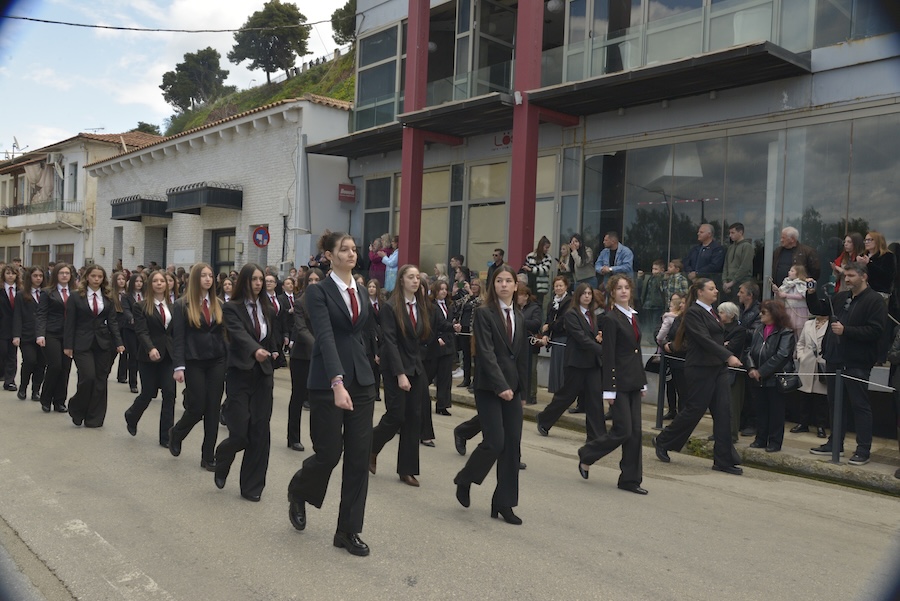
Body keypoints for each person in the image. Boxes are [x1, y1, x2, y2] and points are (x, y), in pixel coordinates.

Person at [287, 232, 376, 557]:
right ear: (329, 255)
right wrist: (337, 382)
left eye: (354, 249)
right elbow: (324, 335)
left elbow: (364, 335)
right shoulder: (318, 291)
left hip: (362, 381)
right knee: (329, 454)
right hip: (327, 381)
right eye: (344, 249)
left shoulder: (361, 291)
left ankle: (347, 531)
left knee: (358, 458)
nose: (352, 254)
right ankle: (299, 490)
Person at [453, 265, 528, 525]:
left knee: (512, 446)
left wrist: (522, 390)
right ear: (493, 285)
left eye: (508, 281)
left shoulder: (519, 316)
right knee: (495, 442)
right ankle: (465, 478)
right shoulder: (484, 313)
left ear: (515, 286)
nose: (504, 285)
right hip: (489, 387)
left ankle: (503, 503)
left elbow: (522, 357)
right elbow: (485, 352)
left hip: (513, 388)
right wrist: (500, 385)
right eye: (499, 281)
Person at [652, 278, 745, 475]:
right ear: (700, 292)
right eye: (711, 288)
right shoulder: (693, 312)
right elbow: (703, 339)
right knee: (694, 410)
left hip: (717, 368)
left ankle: (723, 459)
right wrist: (727, 355)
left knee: (723, 412)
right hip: (700, 368)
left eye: (715, 288)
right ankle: (663, 440)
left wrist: (724, 355)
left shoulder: (712, 312)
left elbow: (716, 338)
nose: (716, 291)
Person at [806, 262, 886, 465]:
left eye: (851, 276)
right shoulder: (842, 297)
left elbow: (876, 330)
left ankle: (863, 449)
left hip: (857, 362)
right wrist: (811, 293)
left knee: (860, 406)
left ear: (864, 276)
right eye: (846, 276)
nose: (847, 279)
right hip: (834, 359)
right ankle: (835, 444)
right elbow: (818, 309)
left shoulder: (875, 300)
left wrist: (846, 331)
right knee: (835, 405)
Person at [213, 263, 280, 501]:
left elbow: (270, 336)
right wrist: (255, 350)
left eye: (261, 279)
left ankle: (252, 487)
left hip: (263, 375)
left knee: (260, 431)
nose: (259, 283)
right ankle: (223, 457)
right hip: (240, 373)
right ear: (245, 281)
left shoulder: (268, 308)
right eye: (254, 279)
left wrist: (273, 351)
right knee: (240, 432)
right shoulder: (231, 308)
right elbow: (238, 334)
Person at [578, 274, 647, 494]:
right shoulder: (610, 318)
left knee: (636, 432)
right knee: (623, 430)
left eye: (626, 287)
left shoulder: (633, 316)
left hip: (634, 380)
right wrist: (609, 389)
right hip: (618, 383)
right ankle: (587, 454)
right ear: (612, 293)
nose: (624, 291)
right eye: (619, 288)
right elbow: (608, 355)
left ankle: (630, 479)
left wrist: (643, 382)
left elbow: (636, 352)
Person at [370, 264, 435, 487]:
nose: (415, 281)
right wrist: (400, 374)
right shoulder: (390, 307)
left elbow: (422, 337)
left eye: (417, 277)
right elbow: (390, 341)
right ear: (401, 281)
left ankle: (407, 469)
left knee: (414, 418)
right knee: (396, 416)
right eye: (410, 277)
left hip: (416, 367)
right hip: (394, 367)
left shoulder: (421, 305)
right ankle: (370, 447)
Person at [169, 263, 227, 471]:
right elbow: (178, 338)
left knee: (213, 408)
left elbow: (225, 335)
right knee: (197, 407)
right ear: (195, 279)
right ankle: (177, 433)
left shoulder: (219, 304)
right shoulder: (181, 305)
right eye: (203, 276)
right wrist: (179, 367)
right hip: (194, 361)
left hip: (216, 360)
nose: (208, 279)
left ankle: (208, 456)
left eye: (210, 275)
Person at [536, 283, 605, 440]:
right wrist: (601, 350)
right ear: (578, 296)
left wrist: (598, 339)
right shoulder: (571, 314)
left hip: (592, 362)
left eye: (589, 293)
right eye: (584, 293)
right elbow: (580, 337)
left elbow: (589, 336)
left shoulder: (591, 315)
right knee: (567, 395)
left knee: (595, 397)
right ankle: (545, 419)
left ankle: (597, 435)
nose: (587, 296)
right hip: (576, 362)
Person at [63, 264, 125, 428]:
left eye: (100, 277)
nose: (96, 279)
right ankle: (77, 408)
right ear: (87, 277)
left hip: (103, 343)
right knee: (88, 377)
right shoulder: (76, 296)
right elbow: (70, 322)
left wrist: (119, 342)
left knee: (100, 380)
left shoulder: (108, 297)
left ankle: (94, 418)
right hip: (81, 342)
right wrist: (68, 345)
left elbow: (112, 321)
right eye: (93, 276)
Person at [124, 270, 176, 447]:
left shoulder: (173, 306)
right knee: (148, 392)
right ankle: (132, 415)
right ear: (150, 284)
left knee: (169, 393)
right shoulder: (140, 306)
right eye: (155, 281)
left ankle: (166, 436)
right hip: (148, 356)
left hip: (168, 356)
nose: (159, 284)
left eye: (162, 281)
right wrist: (150, 348)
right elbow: (141, 331)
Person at [745, 300, 796, 453]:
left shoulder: (785, 332)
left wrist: (762, 371)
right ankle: (760, 438)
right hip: (757, 378)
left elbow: (782, 355)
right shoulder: (758, 329)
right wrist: (751, 367)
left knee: (776, 412)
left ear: (774, 314)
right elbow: (749, 350)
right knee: (761, 409)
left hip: (775, 378)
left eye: (764, 312)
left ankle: (774, 441)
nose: (760, 315)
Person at [287, 269, 323, 452]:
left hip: (322, 355)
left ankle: (319, 439)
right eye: (311, 280)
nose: (314, 283)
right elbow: (301, 329)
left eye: (317, 280)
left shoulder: (327, 302)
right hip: (302, 355)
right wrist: (318, 346)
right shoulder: (300, 302)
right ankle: (293, 437)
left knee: (318, 399)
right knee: (298, 396)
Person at [35, 263, 73, 413]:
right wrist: (40, 334)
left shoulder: (76, 293)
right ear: (56, 275)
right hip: (51, 333)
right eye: (61, 273)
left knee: (65, 368)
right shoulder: (47, 292)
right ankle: (46, 399)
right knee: (55, 365)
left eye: (67, 273)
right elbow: (41, 314)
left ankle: (59, 401)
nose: (64, 275)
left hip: (69, 335)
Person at [424, 279, 460, 426]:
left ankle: (442, 405)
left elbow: (450, 321)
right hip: (435, 344)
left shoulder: (449, 305)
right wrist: (437, 337)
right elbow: (432, 324)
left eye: (445, 289)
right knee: (429, 374)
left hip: (448, 344)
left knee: (445, 376)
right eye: (441, 289)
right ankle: (419, 398)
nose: (444, 292)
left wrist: (455, 327)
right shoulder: (430, 306)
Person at [12, 266, 46, 401]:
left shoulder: (46, 293)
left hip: (43, 334)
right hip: (27, 334)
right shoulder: (21, 295)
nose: (38, 278)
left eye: (40, 276)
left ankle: (36, 390)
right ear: (29, 277)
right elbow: (17, 316)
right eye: (35, 276)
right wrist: (16, 335)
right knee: (30, 360)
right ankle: (23, 387)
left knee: (41, 363)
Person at [794, 314, 830, 439]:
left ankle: (821, 426)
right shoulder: (808, 324)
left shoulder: (831, 324)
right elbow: (801, 343)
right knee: (804, 396)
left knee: (821, 398)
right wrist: (801, 357)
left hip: (822, 364)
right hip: (807, 363)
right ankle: (803, 423)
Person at [718, 301, 747, 443]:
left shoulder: (739, 330)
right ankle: (718, 432)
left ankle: (731, 434)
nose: (719, 315)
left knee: (733, 405)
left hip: (734, 372)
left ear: (730, 315)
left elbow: (731, 348)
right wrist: (722, 345)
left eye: (722, 312)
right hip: (718, 369)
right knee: (719, 404)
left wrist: (722, 346)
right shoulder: (718, 328)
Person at [656, 293, 685, 419]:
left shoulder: (684, 319)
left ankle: (681, 415)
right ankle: (672, 410)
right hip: (668, 357)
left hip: (680, 358)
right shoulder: (668, 316)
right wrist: (663, 343)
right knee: (669, 385)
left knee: (681, 389)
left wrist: (671, 345)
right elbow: (658, 331)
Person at [454, 279, 483, 390]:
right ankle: (466, 379)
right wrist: (454, 292)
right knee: (465, 355)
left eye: (476, 285)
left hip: (474, 330)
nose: (473, 287)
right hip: (464, 328)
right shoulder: (466, 298)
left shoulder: (482, 299)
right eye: (472, 285)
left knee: (475, 356)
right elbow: (456, 304)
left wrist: (470, 293)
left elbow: (477, 304)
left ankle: (476, 381)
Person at [516, 285, 543, 405]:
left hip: (530, 343)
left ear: (526, 296)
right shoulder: (515, 308)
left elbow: (536, 323)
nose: (517, 298)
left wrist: (520, 321)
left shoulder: (535, 308)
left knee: (531, 370)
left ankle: (532, 394)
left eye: (519, 295)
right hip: (518, 342)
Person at [121, 273, 145, 393]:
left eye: (141, 281)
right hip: (130, 329)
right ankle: (133, 383)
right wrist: (132, 318)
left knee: (144, 357)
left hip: (144, 330)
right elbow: (126, 310)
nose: (139, 284)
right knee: (133, 356)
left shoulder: (147, 295)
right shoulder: (126, 296)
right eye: (136, 281)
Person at [773, 264, 810, 339]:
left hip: (799, 310)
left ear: (798, 273)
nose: (789, 272)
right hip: (788, 309)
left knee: (800, 331)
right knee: (789, 330)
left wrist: (786, 295)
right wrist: (777, 291)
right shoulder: (787, 283)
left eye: (792, 271)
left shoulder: (802, 284)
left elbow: (802, 296)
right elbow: (780, 295)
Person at [722, 223, 754, 301]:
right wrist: (724, 281)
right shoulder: (730, 247)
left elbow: (745, 267)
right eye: (730, 233)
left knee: (739, 305)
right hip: (728, 283)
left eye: (733, 233)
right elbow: (725, 265)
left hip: (742, 283)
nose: (730, 235)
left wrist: (733, 282)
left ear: (740, 232)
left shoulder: (747, 246)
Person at [0, 265, 20, 391]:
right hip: (2, 327)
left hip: (15, 327)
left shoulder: (21, 291)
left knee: (12, 354)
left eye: (13, 273)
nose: (10, 275)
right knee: (2, 352)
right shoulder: (1, 290)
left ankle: (10, 381)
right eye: (8, 273)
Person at [364, 278, 384, 402]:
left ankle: (376, 392)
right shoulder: (365, 303)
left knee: (378, 368)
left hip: (381, 337)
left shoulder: (382, 304)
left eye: (374, 287)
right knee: (371, 365)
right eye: (369, 286)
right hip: (370, 336)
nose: (371, 289)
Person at [638, 260, 666, 344]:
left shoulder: (662, 279)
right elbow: (641, 288)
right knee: (648, 324)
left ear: (662, 270)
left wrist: (661, 276)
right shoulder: (649, 278)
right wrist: (640, 278)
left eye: (656, 269)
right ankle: (650, 338)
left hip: (657, 305)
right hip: (647, 304)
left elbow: (663, 291)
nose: (654, 271)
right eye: (653, 269)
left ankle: (655, 339)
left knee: (655, 323)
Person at [523, 236, 553, 306]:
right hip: (530, 284)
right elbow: (525, 267)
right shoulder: (530, 256)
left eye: (548, 248)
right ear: (541, 246)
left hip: (541, 287)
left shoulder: (548, 258)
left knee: (538, 305)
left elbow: (544, 270)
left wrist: (531, 269)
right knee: (528, 304)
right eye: (546, 247)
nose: (547, 250)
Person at [112, 271, 130, 385]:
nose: (121, 281)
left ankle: (122, 375)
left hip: (126, 322)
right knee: (112, 350)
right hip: (115, 321)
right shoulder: (111, 294)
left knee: (125, 351)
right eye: (119, 279)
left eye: (123, 279)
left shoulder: (128, 294)